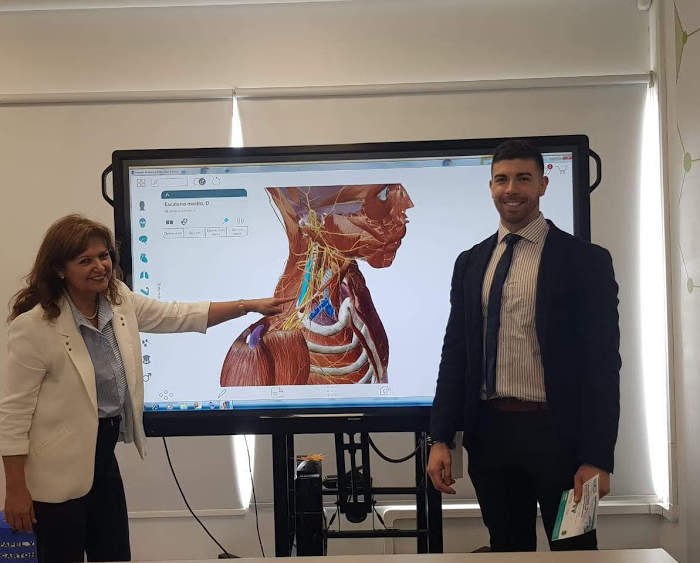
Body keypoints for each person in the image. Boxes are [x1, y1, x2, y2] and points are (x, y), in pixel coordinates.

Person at [0, 214, 288, 562]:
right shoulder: (35, 326)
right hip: (56, 466)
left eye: (103, 256)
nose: (100, 266)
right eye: (85, 260)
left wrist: (247, 306)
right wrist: (16, 489)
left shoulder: (118, 299)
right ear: (60, 269)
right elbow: (14, 413)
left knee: (115, 553)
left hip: (102, 451)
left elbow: (177, 315)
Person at [427, 139, 620, 552]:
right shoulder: (470, 262)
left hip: (561, 438)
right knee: (507, 550)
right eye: (502, 179)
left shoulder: (585, 260)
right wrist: (440, 438)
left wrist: (598, 457)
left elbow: (603, 365)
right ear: (491, 186)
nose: (511, 189)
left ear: (543, 185)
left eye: (523, 178)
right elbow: (456, 353)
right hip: (490, 437)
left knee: (575, 551)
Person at [220, 184, 413, 387]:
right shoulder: (269, 349)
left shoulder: (354, 296)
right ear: (316, 221)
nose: (404, 213)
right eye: (383, 196)